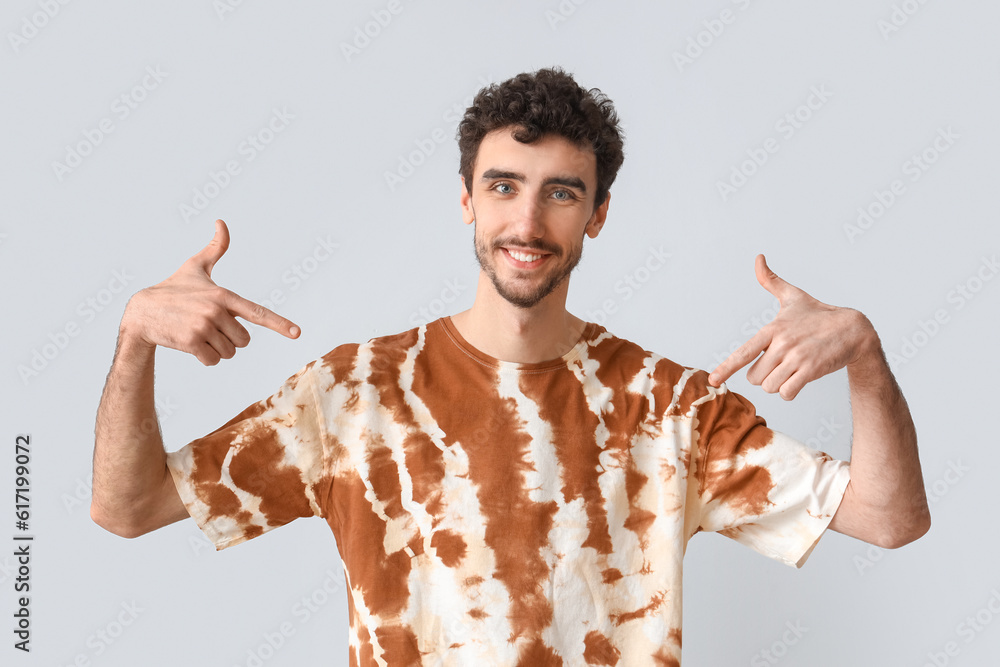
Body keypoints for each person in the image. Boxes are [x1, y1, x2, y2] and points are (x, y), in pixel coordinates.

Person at [91, 67, 930, 666]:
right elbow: (128, 507)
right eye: (503, 186)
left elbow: (888, 518)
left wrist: (865, 355)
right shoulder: (353, 394)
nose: (527, 219)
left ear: (597, 215)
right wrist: (134, 339)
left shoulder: (667, 406)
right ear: (467, 200)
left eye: (562, 192)